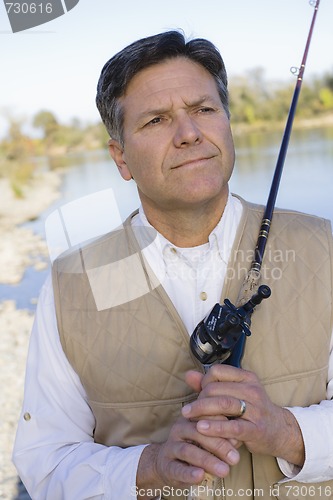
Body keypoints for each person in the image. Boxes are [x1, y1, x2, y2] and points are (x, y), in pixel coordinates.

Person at [13, 30, 333, 500]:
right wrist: (147, 465)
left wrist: (288, 432)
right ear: (120, 157)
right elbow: (45, 463)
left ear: (227, 122)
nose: (189, 133)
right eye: (157, 120)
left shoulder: (324, 247)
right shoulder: (71, 284)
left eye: (204, 109)